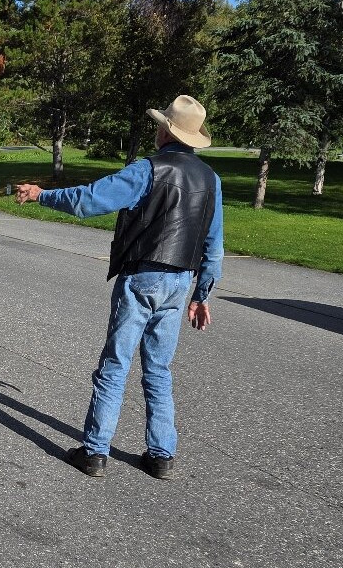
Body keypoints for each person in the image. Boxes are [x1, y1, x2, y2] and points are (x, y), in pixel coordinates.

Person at [16, 95, 224, 480]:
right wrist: (202, 294)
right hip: (180, 283)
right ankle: (162, 455)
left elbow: (90, 200)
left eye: (161, 124)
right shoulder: (211, 180)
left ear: (165, 131)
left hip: (143, 276)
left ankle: (95, 452)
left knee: (115, 364)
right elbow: (214, 244)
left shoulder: (148, 169)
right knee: (159, 368)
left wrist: (41, 194)